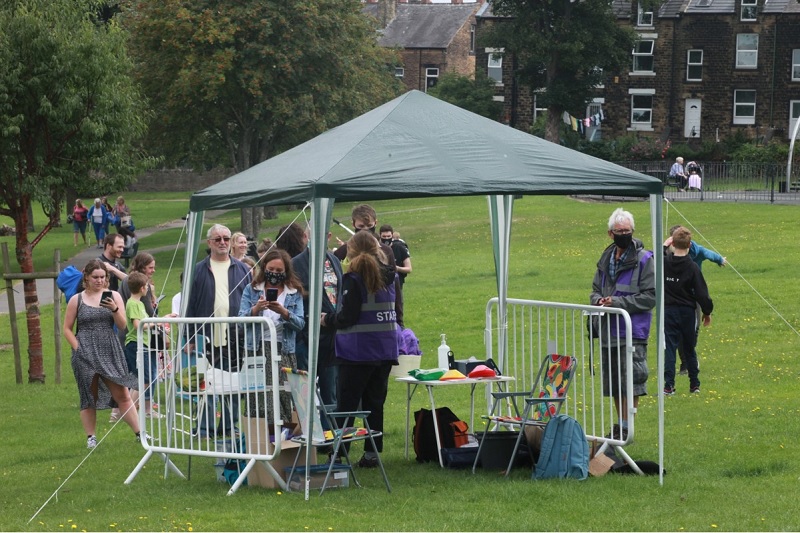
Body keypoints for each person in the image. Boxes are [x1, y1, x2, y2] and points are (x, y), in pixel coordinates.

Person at [322, 230, 399, 468]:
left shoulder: (353, 279)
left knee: (347, 405)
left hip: (356, 351)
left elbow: (348, 317)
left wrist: (327, 320)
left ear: (351, 251)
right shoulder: (391, 276)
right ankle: (372, 453)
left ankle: (339, 453)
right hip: (385, 349)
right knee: (375, 404)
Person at [590, 208, 655, 440]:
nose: (623, 234)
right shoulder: (605, 258)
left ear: (633, 231)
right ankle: (621, 424)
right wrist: (598, 300)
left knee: (632, 380)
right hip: (609, 330)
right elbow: (595, 289)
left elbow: (650, 297)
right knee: (615, 382)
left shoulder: (645, 259)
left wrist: (616, 301)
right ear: (610, 233)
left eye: (627, 231)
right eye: (619, 231)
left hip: (632, 330)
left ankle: (628, 426)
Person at [62, 260, 142, 448]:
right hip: (84, 352)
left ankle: (140, 433)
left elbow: (123, 326)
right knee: (89, 396)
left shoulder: (114, 296)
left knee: (122, 393)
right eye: (95, 277)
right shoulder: (77, 299)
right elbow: (66, 328)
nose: (99, 281)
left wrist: (114, 309)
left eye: (103, 277)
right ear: (87, 278)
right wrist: (78, 349)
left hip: (110, 350)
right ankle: (91, 438)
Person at [185, 224, 251, 438]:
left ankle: (229, 426)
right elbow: (190, 304)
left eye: (226, 238)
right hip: (207, 336)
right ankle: (205, 428)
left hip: (235, 336)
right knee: (209, 384)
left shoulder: (242, 269)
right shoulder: (198, 270)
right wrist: (189, 336)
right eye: (218, 239)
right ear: (209, 243)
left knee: (232, 384)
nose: (222, 242)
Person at [238, 247, 305, 423]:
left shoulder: (294, 292)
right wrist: (256, 309)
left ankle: (284, 436)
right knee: (259, 395)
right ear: (264, 268)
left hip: (284, 351)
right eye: (271, 270)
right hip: (257, 350)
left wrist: (284, 312)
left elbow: (300, 324)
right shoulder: (251, 290)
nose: (274, 274)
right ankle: (260, 438)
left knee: (284, 395)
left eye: (279, 271)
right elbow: (239, 320)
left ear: (286, 272)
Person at [291, 226, 343, 406]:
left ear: (329, 236)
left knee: (330, 393)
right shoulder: (296, 263)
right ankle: (307, 433)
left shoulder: (334, 260)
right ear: (306, 236)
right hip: (306, 336)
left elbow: (339, 294)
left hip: (331, 337)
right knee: (305, 395)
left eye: (323, 235)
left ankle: (330, 431)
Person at [664, 224, 726, 374]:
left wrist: (720, 260)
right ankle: (686, 363)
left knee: (692, 329)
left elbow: (709, 254)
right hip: (673, 298)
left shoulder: (695, 254)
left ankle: (688, 357)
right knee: (678, 333)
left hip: (691, 297)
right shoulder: (668, 257)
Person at [333, 204, 404, 328]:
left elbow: (395, 286)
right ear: (353, 224)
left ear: (376, 223)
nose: (365, 230)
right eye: (361, 226)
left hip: (381, 313)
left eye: (369, 226)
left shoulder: (386, 251)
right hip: (352, 316)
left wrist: (399, 321)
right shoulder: (344, 251)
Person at [122, 271, 160, 419]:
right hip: (135, 344)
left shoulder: (138, 304)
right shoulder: (132, 304)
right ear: (142, 288)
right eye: (146, 286)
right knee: (144, 379)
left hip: (143, 344)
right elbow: (138, 325)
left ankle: (128, 409)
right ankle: (128, 410)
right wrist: (153, 324)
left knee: (144, 378)